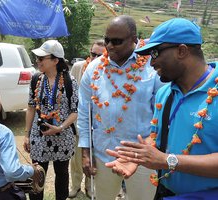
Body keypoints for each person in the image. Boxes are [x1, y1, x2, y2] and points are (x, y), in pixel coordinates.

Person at [105, 18, 218, 199]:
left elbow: (165, 158)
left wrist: (168, 160)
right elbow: (157, 137)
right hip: (166, 193)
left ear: (182, 51)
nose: (151, 63)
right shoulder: (165, 93)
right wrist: (138, 156)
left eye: (155, 53)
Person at [77, 15, 163, 200]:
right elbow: (84, 112)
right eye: (107, 40)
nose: (109, 46)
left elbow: (162, 114)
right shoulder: (94, 69)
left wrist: (150, 148)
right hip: (103, 154)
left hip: (141, 157)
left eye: (117, 41)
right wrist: (85, 152)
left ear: (134, 39)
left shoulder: (152, 68)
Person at [23, 40, 78, 200]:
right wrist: (26, 134)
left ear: (55, 60)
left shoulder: (70, 81)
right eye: (37, 58)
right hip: (39, 137)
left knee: (62, 175)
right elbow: (31, 107)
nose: (37, 61)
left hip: (63, 137)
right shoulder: (36, 80)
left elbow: (75, 111)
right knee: (38, 174)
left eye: (41, 58)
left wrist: (60, 127)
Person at [68, 39, 105, 199]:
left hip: (98, 126)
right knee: (76, 160)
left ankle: (90, 187)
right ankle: (75, 186)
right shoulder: (78, 67)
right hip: (79, 123)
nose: (95, 57)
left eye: (100, 55)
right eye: (93, 54)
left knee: (93, 160)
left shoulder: (107, 71)